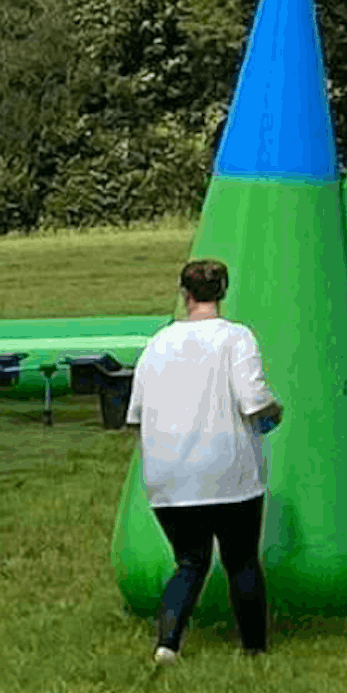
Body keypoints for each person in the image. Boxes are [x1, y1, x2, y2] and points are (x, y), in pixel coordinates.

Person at [129, 256, 283, 662]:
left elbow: (136, 413)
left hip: (169, 476)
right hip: (228, 471)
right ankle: (254, 648)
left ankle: (167, 643)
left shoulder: (157, 344)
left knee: (190, 562)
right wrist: (275, 412)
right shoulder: (236, 338)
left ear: (184, 294)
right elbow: (254, 401)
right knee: (241, 560)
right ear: (223, 292)